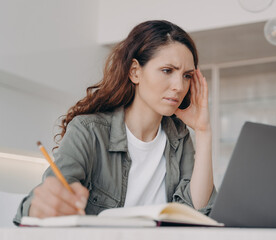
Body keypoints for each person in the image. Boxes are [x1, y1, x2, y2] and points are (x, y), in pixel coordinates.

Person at [13, 20, 216, 225]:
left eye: (187, 76)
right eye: (167, 70)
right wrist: (39, 207)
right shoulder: (89, 131)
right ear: (135, 71)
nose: (179, 86)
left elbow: (197, 212)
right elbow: (43, 204)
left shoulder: (178, 137)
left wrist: (203, 130)